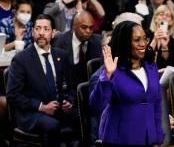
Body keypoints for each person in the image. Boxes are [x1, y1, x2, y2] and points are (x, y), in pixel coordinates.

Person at [6, 14, 78, 147]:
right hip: (33, 114)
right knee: (52, 125)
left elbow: (73, 86)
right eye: (38, 29)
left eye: (46, 29)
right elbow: (12, 96)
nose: (41, 33)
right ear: (32, 32)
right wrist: (41, 107)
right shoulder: (21, 59)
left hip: (59, 109)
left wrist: (70, 102)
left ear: (53, 33)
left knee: (85, 115)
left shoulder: (61, 55)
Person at [89, 21, 164, 146]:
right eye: (136, 40)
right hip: (119, 139)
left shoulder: (151, 66)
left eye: (145, 39)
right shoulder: (112, 69)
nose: (142, 44)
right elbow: (96, 105)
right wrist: (107, 76)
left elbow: (156, 103)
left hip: (148, 138)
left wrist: (157, 137)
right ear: (125, 43)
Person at [147, 5, 174, 71]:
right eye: (161, 14)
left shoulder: (173, 42)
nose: (164, 17)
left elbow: (172, 66)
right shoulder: (145, 35)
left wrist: (165, 48)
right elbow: (141, 59)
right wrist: (154, 41)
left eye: (168, 15)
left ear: (171, 22)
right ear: (155, 19)